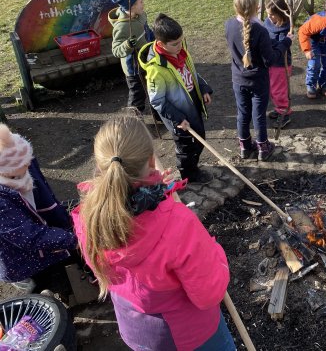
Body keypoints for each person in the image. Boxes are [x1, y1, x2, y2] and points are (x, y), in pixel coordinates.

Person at [72, 115, 234, 351]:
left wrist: (155, 190)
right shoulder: (179, 224)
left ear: (100, 165)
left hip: (138, 333)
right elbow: (209, 294)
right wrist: (216, 255)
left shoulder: (89, 214)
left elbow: (134, 216)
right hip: (191, 337)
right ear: (151, 160)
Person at [0, 124, 77, 293]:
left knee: (58, 272)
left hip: (37, 242)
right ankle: (39, 295)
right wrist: (73, 238)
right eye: (25, 165)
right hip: (19, 261)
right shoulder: (2, 203)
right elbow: (29, 236)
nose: (29, 167)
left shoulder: (17, 158)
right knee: (41, 284)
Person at [139, 13, 213, 184]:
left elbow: (192, 73)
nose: (180, 46)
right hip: (177, 116)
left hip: (192, 106)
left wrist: (203, 88)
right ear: (160, 44)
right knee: (186, 147)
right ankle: (189, 174)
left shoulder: (181, 52)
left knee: (200, 138)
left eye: (181, 41)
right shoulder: (156, 70)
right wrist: (178, 118)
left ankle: (193, 166)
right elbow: (157, 101)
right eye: (175, 44)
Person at [225, 0, 291, 161]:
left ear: (235, 6)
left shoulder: (229, 25)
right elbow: (270, 59)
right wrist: (286, 42)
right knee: (258, 115)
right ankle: (263, 148)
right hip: (258, 81)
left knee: (243, 113)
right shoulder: (260, 30)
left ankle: (245, 148)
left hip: (238, 79)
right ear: (256, 7)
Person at [109, 0, 155, 113]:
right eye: (141, 2)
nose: (143, 4)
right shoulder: (122, 27)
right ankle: (133, 120)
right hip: (134, 69)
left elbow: (147, 32)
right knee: (137, 96)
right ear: (132, 6)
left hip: (149, 62)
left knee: (154, 90)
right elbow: (116, 50)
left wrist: (156, 41)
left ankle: (159, 116)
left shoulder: (141, 16)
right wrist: (127, 45)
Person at [263, 0, 293, 129]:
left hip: (280, 64)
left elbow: (281, 45)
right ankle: (279, 108)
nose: (269, 17)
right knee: (271, 88)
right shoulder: (268, 23)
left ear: (280, 14)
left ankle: (284, 113)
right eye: (268, 14)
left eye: (272, 15)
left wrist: (269, 43)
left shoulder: (285, 28)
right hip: (270, 61)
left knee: (278, 90)